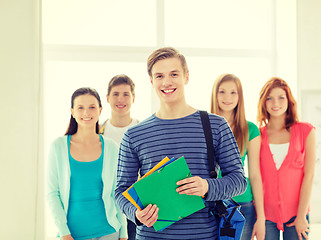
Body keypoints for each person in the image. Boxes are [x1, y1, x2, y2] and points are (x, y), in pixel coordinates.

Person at [115, 47, 247, 240]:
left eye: (174, 74)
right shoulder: (134, 135)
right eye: (159, 76)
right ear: (151, 81)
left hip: (204, 236)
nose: (167, 82)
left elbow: (239, 181)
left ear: (186, 77)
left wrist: (207, 187)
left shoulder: (216, 125)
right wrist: (136, 214)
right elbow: (120, 190)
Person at [47, 87, 128, 240]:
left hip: (109, 232)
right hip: (71, 234)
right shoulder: (58, 146)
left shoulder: (111, 148)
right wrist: (64, 233)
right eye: (80, 108)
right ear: (72, 111)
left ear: (100, 110)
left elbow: (117, 193)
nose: (86, 113)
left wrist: (124, 234)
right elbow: (53, 194)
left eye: (92, 107)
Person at [257, 77, 316, 240]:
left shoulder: (306, 131)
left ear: (289, 100)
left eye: (281, 97)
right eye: (269, 98)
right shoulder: (257, 135)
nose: (275, 103)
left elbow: (309, 176)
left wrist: (302, 215)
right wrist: (260, 217)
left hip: (298, 213)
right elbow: (255, 176)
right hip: (266, 215)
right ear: (264, 102)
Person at [211, 73, 265, 240]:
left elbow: (255, 175)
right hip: (211, 203)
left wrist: (261, 218)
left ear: (240, 97)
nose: (228, 97)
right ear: (215, 94)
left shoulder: (250, 130)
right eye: (222, 92)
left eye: (233, 92)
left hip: (242, 205)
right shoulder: (204, 126)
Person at [100, 74, 139, 240]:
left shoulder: (142, 130)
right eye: (115, 94)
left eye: (126, 94)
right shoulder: (97, 132)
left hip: (135, 205)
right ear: (107, 98)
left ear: (133, 98)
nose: (120, 99)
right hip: (104, 206)